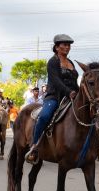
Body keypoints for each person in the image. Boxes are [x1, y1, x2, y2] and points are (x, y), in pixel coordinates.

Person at [25, 34, 79, 164]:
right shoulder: (53, 61)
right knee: (44, 116)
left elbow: (74, 82)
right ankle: (34, 147)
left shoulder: (70, 62)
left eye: (69, 45)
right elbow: (56, 81)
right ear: (56, 47)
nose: (67, 47)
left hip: (70, 97)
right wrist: (68, 92)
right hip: (54, 96)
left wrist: (79, 92)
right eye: (64, 45)